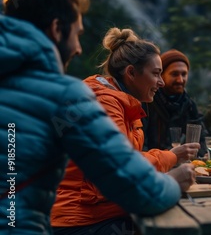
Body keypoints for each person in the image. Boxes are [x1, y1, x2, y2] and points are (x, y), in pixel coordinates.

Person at [0, 0, 194, 233]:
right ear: (56, 29)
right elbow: (136, 188)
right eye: (77, 34)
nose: (78, 48)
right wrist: (173, 178)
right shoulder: (67, 97)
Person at [51, 28, 200, 233]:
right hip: (82, 219)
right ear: (130, 73)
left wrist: (170, 157)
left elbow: (128, 159)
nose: (161, 82)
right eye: (156, 73)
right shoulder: (106, 102)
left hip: (99, 211)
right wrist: (170, 160)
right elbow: (123, 168)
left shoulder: (123, 101)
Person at [143, 49, 207, 158]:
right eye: (174, 74)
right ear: (161, 75)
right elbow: (140, 144)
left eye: (184, 74)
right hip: (152, 166)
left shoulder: (190, 106)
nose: (180, 80)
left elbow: (201, 142)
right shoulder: (147, 102)